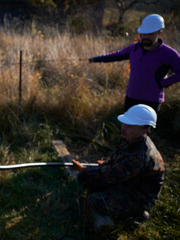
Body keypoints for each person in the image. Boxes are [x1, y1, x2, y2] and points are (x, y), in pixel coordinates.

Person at [71, 104, 164, 234]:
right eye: (124, 123)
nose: (124, 128)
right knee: (92, 184)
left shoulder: (141, 155)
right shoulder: (130, 139)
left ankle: (136, 215)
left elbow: (111, 175)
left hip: (139, 197)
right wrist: (105, 164)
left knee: (94, 198)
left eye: (130, 126)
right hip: (129, 183)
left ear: (144, 130)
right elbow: (117, 163)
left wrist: (83, 170)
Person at [89, 14, 180, 112]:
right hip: (131, 97)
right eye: (143, 34)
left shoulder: (169, 54)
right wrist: (96, 59)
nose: (145, 37)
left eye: (150, 34)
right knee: (127, 126)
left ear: (160, 33)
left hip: (152, 101)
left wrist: (164, 83)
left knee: (145, 128)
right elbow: (116, 55)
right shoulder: (134, 48)